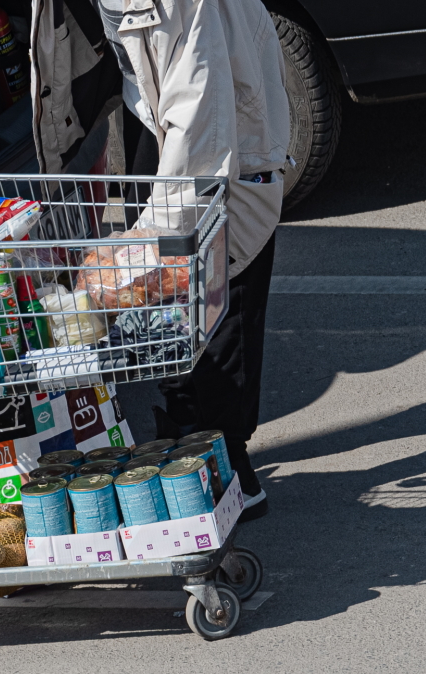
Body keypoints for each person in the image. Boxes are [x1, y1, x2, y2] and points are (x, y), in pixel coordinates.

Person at [93, 0, 291, 521]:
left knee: (219, 278)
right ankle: (185, 438)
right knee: (169, 298)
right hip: (158, 115)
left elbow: (203, 121)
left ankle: (227, 461)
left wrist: (153, 240)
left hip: (223, 124)